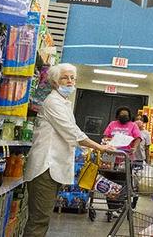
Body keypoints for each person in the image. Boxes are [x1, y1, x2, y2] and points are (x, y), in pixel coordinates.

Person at [24, 63, 115, 237]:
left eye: (73, 78)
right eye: (65, 77)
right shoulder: (53, 102)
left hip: (53, 168)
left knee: (42, 219)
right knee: (39, 220)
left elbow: (72, 133)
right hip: (45, 168)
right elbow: (71, 132)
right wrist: (99, 147)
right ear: (54, 81)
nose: (70, 81)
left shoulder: (64, 103)